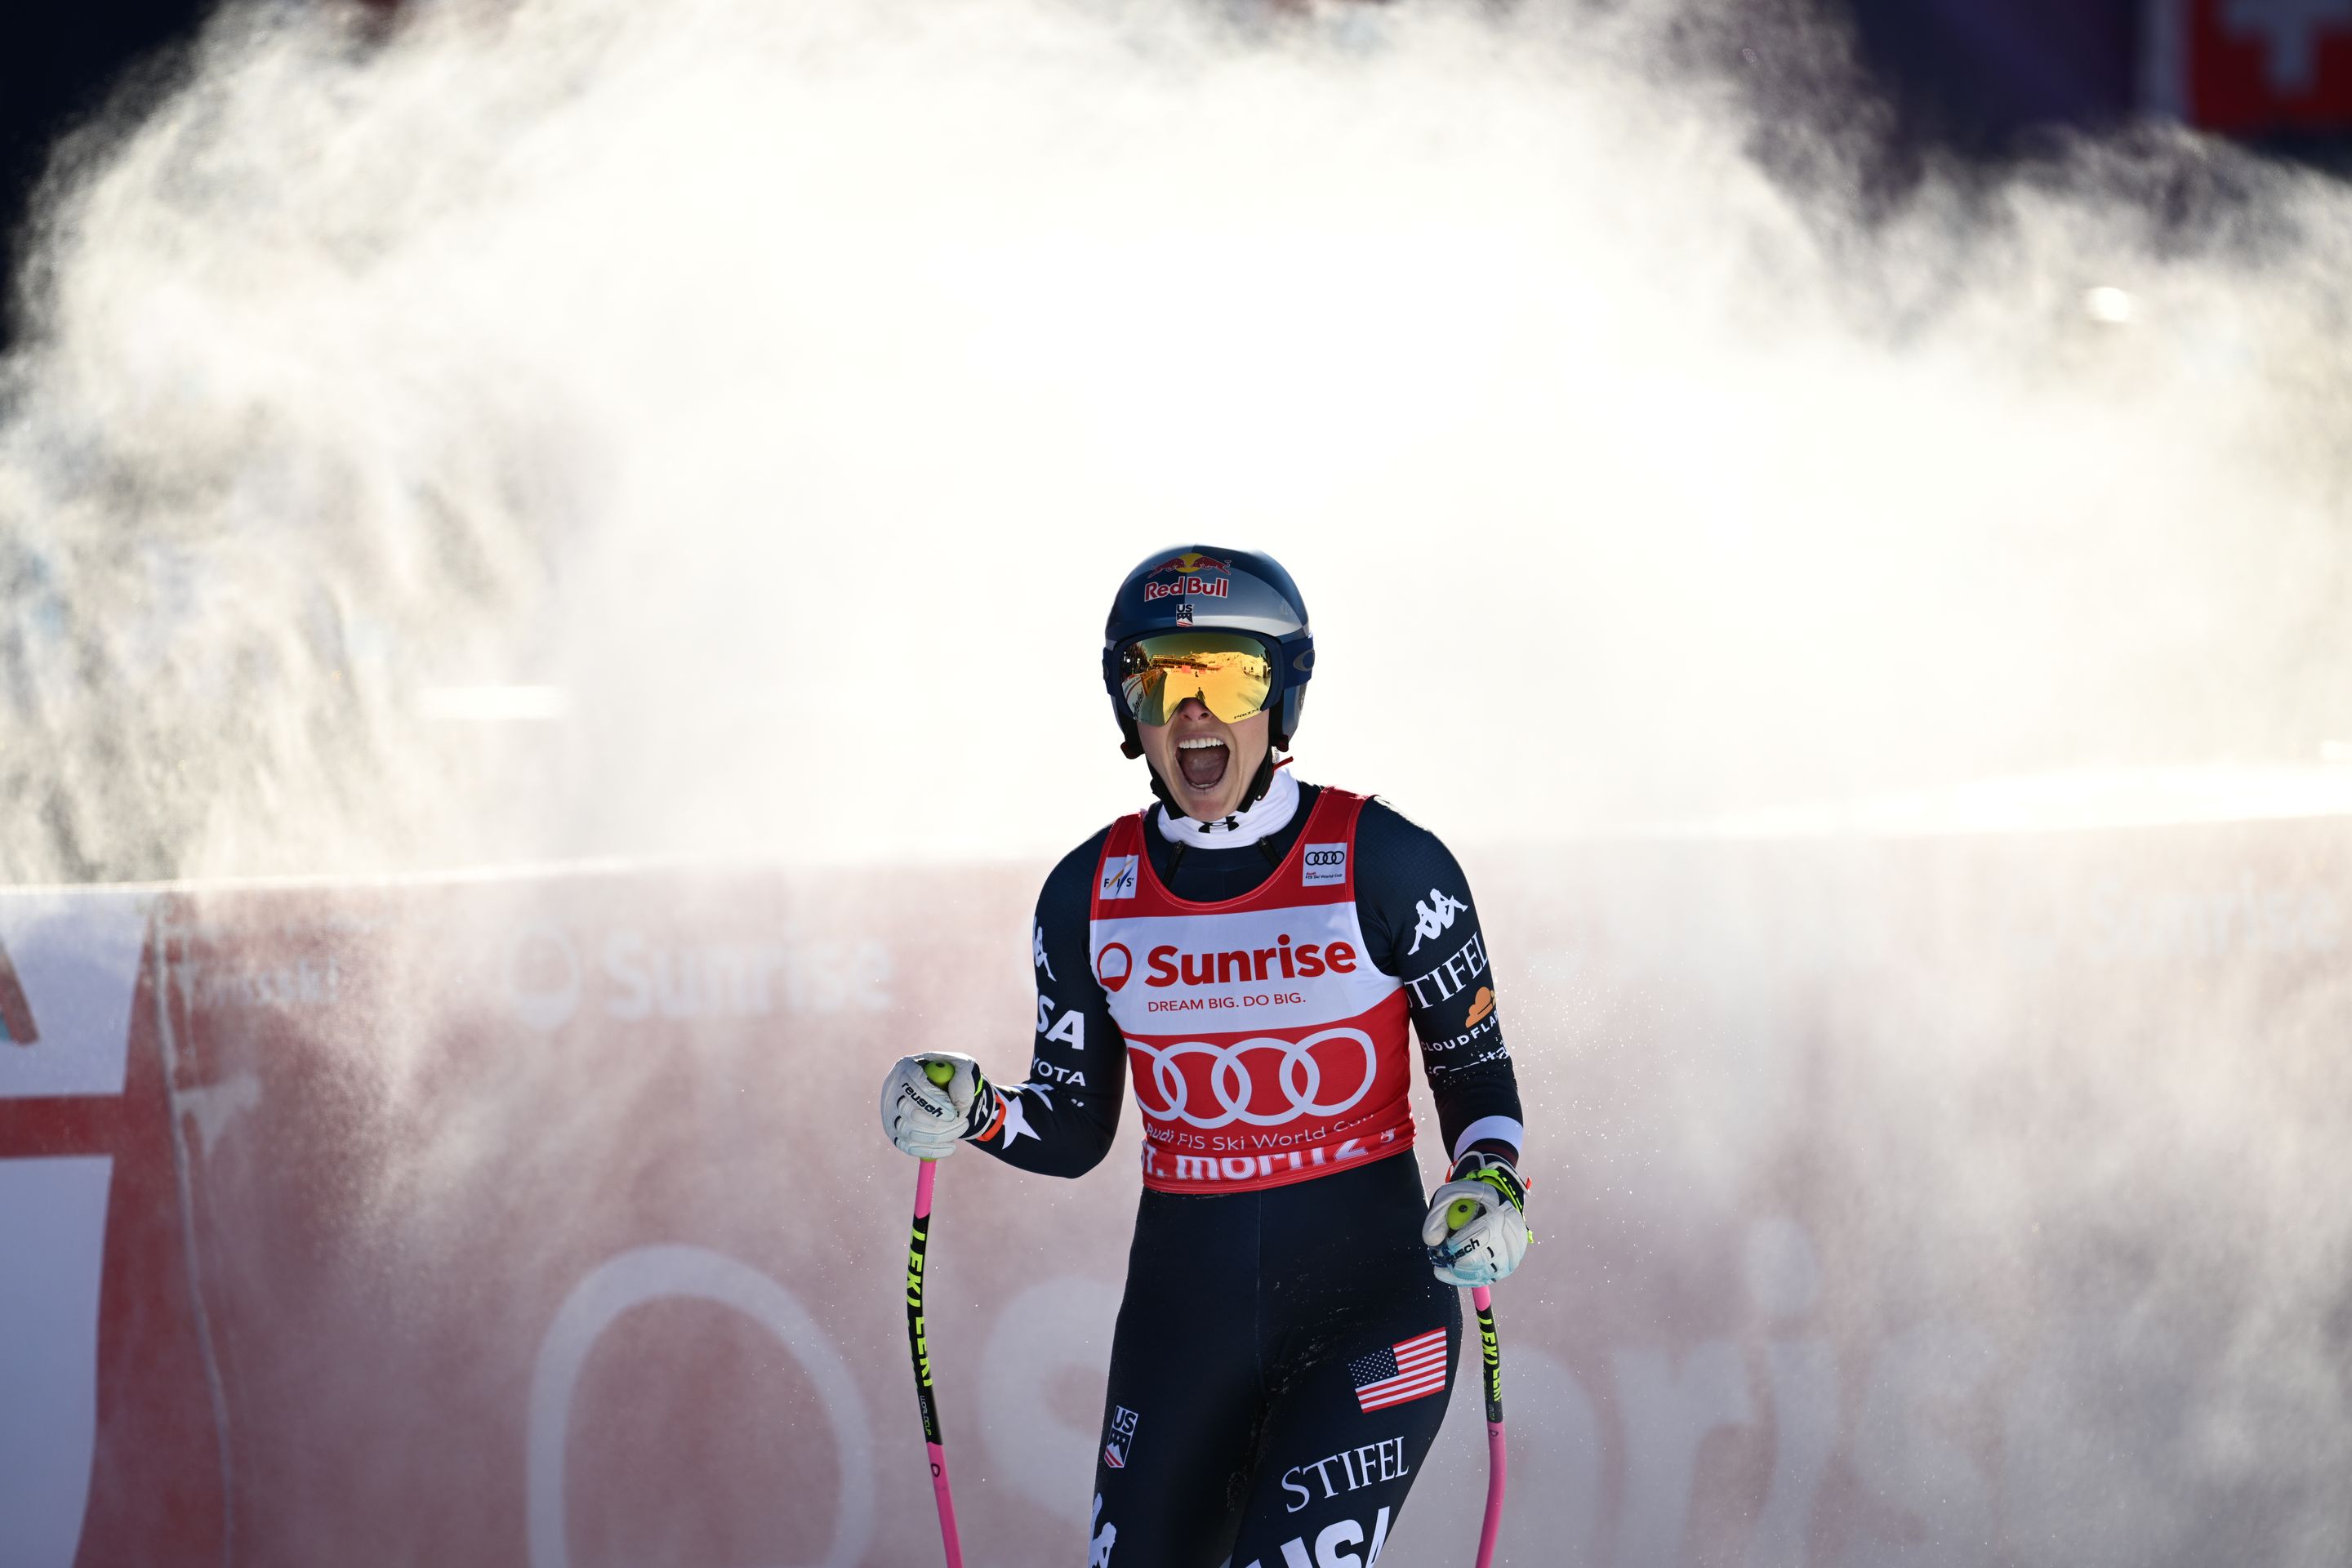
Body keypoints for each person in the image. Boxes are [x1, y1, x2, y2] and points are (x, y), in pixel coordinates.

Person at [879, 546, 1527, 1568]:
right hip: (1181, 1331)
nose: (1192, 711)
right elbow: (1073, 1126)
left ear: (1282, 698)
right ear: (1127, 710)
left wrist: (1490, 1182)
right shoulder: (1087, 891)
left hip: (1371, 1318)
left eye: (1227, 676)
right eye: (1159, 680)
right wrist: (973, 1112)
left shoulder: (1389, 863)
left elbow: (1475, 1074)